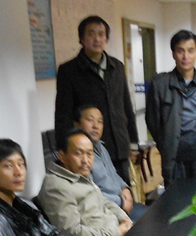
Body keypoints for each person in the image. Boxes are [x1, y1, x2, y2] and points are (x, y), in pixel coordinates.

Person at [55, 15, 138, 183]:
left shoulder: (117, 67)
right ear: (81, 39)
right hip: (89, 150)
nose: (97, 39)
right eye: (91, 34)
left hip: (119, 145)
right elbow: (63, 114)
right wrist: (65, 149)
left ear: (106, 39)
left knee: (124, 189)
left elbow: (126, 106)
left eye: (101, 34)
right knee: (98, 193)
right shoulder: (69, 71)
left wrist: (133, 142)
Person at [38, 128, 133, 236]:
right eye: (78, 153)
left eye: (89, 154)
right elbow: (72, 234)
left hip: (116, 235)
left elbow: (103, 201)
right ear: (62, 156)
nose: (85, 160)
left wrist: (123, 218)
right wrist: (115, 233)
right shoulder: (56, 187)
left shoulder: (78, 174)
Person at [146, 30, 196, 187]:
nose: (186, 56)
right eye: (180, 51)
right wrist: (165, 145)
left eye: (190, 51)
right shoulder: (160, 84)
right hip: (174, 158)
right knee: (176, 197)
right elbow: (152, 120)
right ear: (173, 53)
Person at [74, 104, 147, 221]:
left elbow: (114, 174)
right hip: (107, 212)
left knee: (155, 215)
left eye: (100, 122)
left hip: (121, 204)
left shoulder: (101, 148)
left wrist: (124, 188)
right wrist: (121, 202)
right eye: (90, 120)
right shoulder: (79, 157)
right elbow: (90, 193)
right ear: (77, 124)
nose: (96, 126)